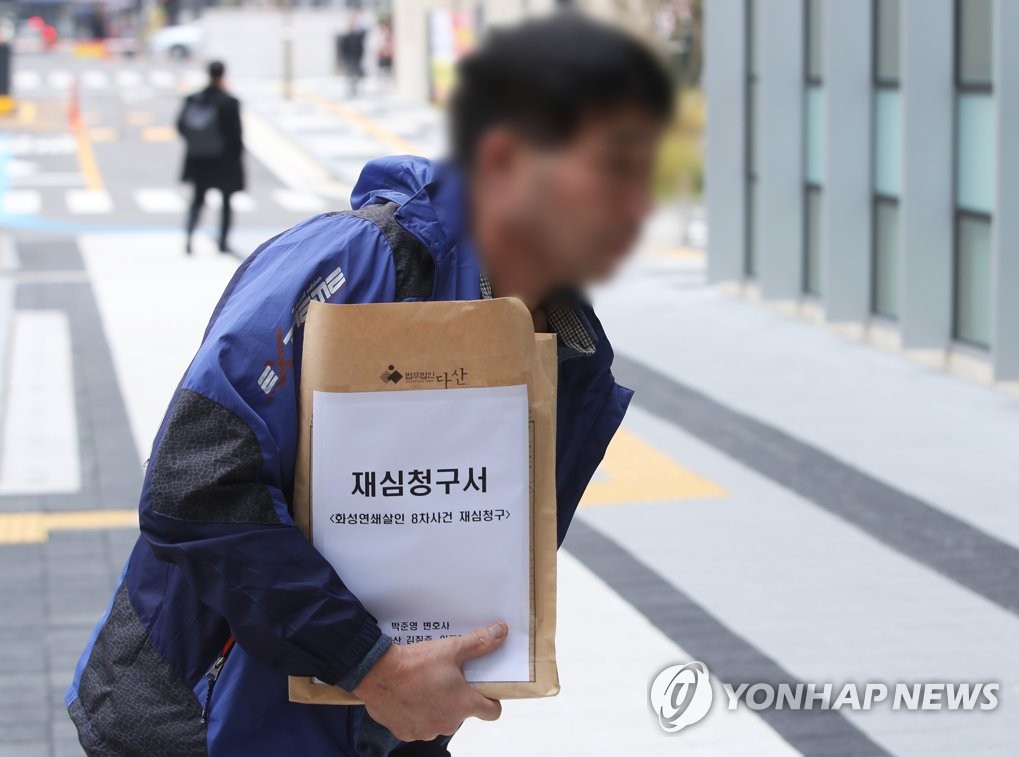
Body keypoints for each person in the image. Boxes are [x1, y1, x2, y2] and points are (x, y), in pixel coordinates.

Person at [67, 13, 672, 757]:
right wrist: (370, 662)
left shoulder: (569, 355)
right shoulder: (357, 263)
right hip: (201, 722)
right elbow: (193, 483)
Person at [177, 60, 244, 255]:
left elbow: (181, 126)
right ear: (223, 74)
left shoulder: (193, 99)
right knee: (226, 202)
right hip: (224, 162)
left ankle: (189, 238)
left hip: (199, 160)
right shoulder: (229, 102)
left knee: (197, 201)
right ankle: (222, 242)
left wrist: (198, 145)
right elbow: (236, 136)